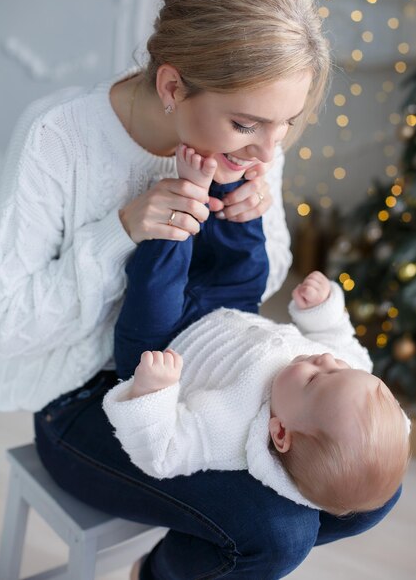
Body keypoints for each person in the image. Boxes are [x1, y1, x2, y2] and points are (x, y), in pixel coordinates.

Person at [0, 0, 403, 578]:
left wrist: (254, 214)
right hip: (91, 398)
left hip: (217, 369)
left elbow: (252, 291)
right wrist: (123, 232)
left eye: (286, 125)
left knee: (370, 494)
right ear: (170, 86)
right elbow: (8, 323)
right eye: (247, 125)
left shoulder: (255, 137)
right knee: (280, 532)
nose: (269, 149)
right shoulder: (59, 140)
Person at [103, 147, 410, 523]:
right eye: (339, 367)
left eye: (315, 379)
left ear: (280, 433)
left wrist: (153, 392)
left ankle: (188, 195)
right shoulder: (347, 372)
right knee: (250, 267)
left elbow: (163, 452)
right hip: (231, 308)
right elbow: (337, 337)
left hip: (165, 339)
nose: (324, 359)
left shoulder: (229, 433)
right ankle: (234, 184)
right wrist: (322, 307)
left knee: (157, 286)